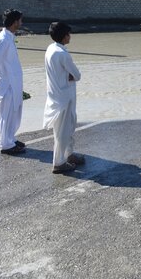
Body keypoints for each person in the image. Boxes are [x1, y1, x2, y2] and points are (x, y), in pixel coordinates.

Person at [43, 21, 83, 174]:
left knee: (66, 127)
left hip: (56, 94)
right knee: (64, 130)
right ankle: (59, 162)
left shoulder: (50, 49)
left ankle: (69, 154)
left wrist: (68, 76)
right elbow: (77, 75)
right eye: (68, 34)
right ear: (64, 36)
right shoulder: (62, 54)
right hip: (65, 96)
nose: (70, 37)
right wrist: (70, 76)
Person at [0, 9, 26, 155]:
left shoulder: (9, 37)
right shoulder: (3, 39)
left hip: (14, 82)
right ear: (15, 22)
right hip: (7, 83)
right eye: (20, 20)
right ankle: (6, 145)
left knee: (14, 112)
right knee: (6, 114)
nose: (21, 23)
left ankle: (10, 138)